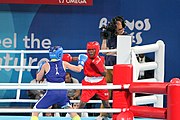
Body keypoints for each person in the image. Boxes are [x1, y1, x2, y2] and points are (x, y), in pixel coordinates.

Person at [31, 46, 88, 120]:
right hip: (62, 93)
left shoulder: (46, 65)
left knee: (35, 111)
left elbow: (38, 78)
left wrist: (40, 69)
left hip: (51, 93)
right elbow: (78, 69)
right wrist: (81, 62)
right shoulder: (64, 63)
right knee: (71, 111)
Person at [100, 16, 128, 118]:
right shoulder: (110, 36)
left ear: (122, 25)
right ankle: (103, 114)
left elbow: (121, 52)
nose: (116, 26)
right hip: (108, 67)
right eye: (115, 24)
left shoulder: (126, 37)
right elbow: (103, 51)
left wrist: (110, 51)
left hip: (120, 69)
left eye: (118, 24)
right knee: (106, 92)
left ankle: (121, 114)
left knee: (120, 91)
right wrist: (104, 38)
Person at [78, 41, 112, 119]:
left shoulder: (101, 59)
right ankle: (76, 118)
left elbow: (104, 73)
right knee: (82, 103)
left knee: (106, 103)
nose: (90, 52)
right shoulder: (85, 58)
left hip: (100, 82)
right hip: (88, 82)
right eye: (89, 50)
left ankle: (112, 118)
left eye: (92, 50)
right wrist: (68, 58)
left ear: (97, 50)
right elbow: (77, 59)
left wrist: (98, 64)